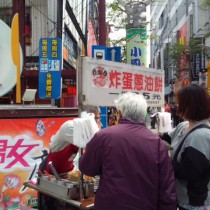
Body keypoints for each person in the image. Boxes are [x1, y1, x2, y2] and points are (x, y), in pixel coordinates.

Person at [79, 92, 177, 210]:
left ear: (120, 113)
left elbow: (87, 168)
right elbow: (167, 188)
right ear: (144, 114)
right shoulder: (157, 143)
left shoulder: (103, 136)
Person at [163, 85, 210, 210]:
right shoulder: (184, 125)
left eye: (180, 104)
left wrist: (164, 162)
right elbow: (164, 138)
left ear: (192, 106)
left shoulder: (201, 136)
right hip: (181, 198)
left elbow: (189, 171)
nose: (177, 107)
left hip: (194, 203)